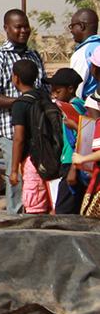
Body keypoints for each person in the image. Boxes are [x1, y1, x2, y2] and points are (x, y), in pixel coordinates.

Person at [0, 8, 48, 214]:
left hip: (35, 129)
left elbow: (43, 88)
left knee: (36, 176)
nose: (23, 30)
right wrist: (24, 102)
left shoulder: (34, 55)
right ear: (6, 29)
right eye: (18, 27)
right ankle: (15, 221)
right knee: (16, 175)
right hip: (10, 130)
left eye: (26, 26)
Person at [9, 59, 54, 214]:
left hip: (32, 161)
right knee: (51, 205)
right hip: (51, 158)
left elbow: (19, 139)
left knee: (35, 208)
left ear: (16, 78)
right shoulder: (45, 97)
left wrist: (14, 169)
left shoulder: (20, 104)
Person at [50, 68, 91, 214]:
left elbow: (82, 138)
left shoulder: (74, 108)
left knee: (63, 210)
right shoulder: (78, 105)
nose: (54, 94)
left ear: (71, 89)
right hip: (73, 163)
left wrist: (73, 169)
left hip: (72, 163)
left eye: (58, 91)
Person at [71, 9, 100, 102]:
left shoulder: (83, 53)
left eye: (72, 26)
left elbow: (76, 89)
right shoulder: (97, 46)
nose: (71, 31)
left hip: (89, 110)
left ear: (81, 26)